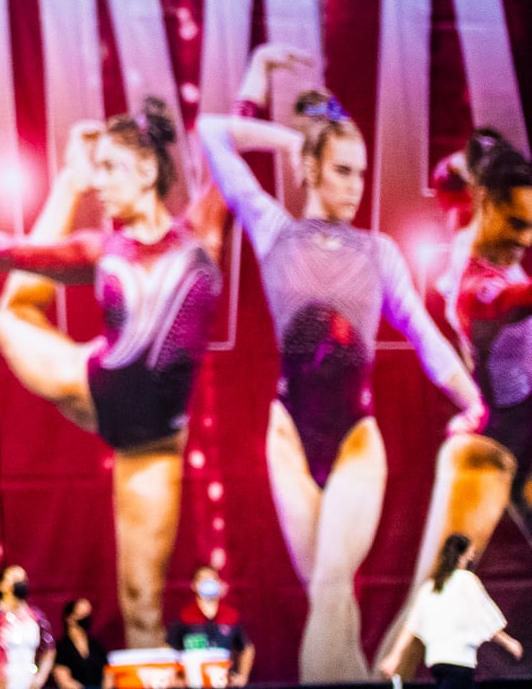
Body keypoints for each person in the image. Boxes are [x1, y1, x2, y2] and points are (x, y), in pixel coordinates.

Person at [197, 45, 484, 682]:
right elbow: (212, 133)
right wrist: (292, 136)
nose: (357, 186)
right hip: (288, 438)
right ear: (312, 170)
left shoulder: (378, 251)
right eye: (343, 171)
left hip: (357, 439)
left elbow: (423, 334)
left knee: (331, 586)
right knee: (335, 604)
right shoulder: (273, 229)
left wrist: (472, 400)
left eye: (361, 172)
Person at [0, 102, 221, 650]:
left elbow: (225, 149)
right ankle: (61, 185)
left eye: (107, 169)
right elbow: (9, 252)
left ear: (147, 171)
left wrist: (259, 83)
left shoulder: (201, 235)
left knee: (140, 604)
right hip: (86, 381)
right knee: (11, 314)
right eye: (92, 172)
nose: (102, 185)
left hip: (149, 446)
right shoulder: (103, 250)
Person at [379, 133, 532, 675]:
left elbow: (451, 174)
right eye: (516, 224)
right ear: (485, 204)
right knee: (430, 603)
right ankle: (386, 682)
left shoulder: (488, 233)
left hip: (523, 438)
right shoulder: (474, 282)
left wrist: (479, 153)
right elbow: (512, 302)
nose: (525, 237)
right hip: (491, 448)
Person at [378, 534, 522, 689]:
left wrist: (395, 655)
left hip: (437, 660)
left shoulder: (430, 588)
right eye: (470, 556)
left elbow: (411, 625)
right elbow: (482, 619)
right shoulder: (466, 581)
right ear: (462, 557)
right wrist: (508, 642)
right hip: (459, 659)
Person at [165, 566, 252, 686]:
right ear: (194, 585)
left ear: (219, 584)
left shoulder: (231, 616)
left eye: (212, 579)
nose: (208, 583)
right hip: (193, 682)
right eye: (203, 579)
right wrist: (176, 679)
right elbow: (169, 650)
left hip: (222, 681)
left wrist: (243, 677)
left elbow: (247, 649)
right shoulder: (184, 617)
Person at [49, 599, 104, 689]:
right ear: (69, 618)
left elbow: (108, 673)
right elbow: (63, 679)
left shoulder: (96, 645)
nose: (86, 618)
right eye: (82, 615)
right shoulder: (62, 647)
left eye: (88, 614)